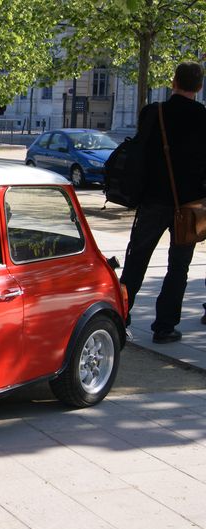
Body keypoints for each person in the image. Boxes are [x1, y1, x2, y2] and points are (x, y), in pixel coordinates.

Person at [120, 61, 206, 344]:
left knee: (137, 259)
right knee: (179, 266)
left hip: (154, 200)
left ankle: (120, 315)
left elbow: (138, 154)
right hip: (189, 206)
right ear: (199, 87)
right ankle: (165, 326)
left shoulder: (153, 113)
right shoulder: (203, 117)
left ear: (173, 82)